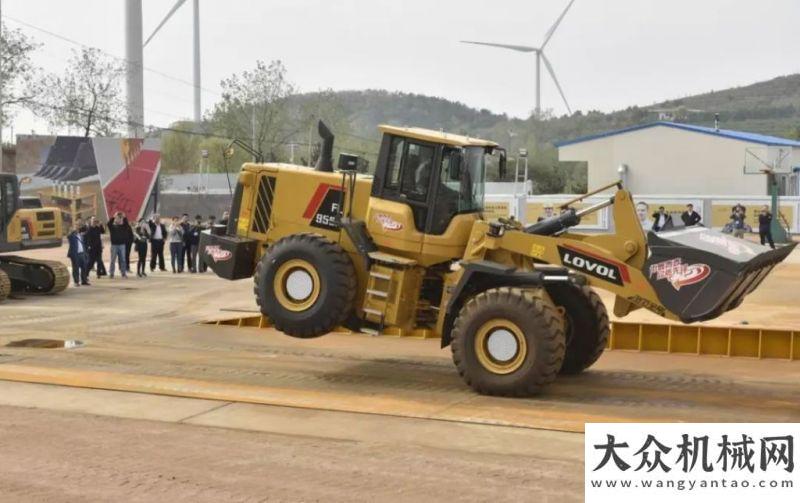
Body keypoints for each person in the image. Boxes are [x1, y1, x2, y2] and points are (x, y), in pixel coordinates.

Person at [67, 220, 90, 286]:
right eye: (76, 227)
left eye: (78, 228)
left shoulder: (80, 235)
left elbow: (83, 245)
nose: (77, 229)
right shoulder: (72, 236)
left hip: (82, 253)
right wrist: (73, 230)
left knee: (84, 268)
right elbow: (68, 235)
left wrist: (85, 254)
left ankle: (84, 281)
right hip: (75, 254)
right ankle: (76, 282)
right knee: (76, 268)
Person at [107, 212, 129, 278]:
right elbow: (109, 224)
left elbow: (126, 224)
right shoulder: (112, 227)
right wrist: (114, 216)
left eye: (120, 218)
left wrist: (124, 217)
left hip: (122, 245)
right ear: (115, 219)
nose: (119, 220)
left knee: (123, 260)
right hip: (114, 245)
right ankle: (111, 273)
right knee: (112, 260)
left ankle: (123, 273)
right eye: (117, 218)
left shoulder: (123, 227)